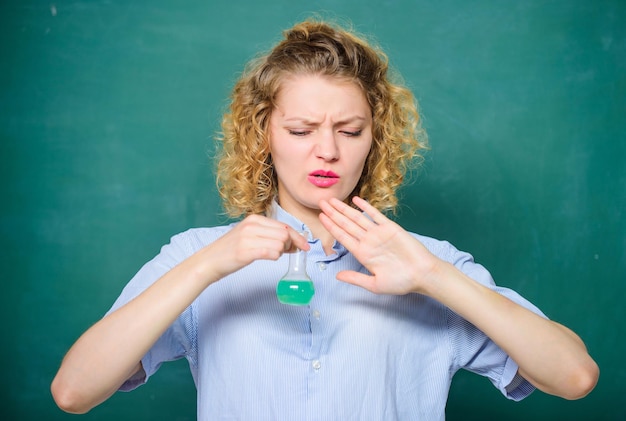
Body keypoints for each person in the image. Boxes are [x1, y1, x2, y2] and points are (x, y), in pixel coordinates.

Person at [51, 18, 599, 420]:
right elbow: (73, 391)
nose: (327, 152)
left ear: (374, 139)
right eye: (300, 130)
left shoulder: (424, 264)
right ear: (263, 134)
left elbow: (575, 377)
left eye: (350, 130)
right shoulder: (200, 254)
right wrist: (207, 266)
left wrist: (434, 277)